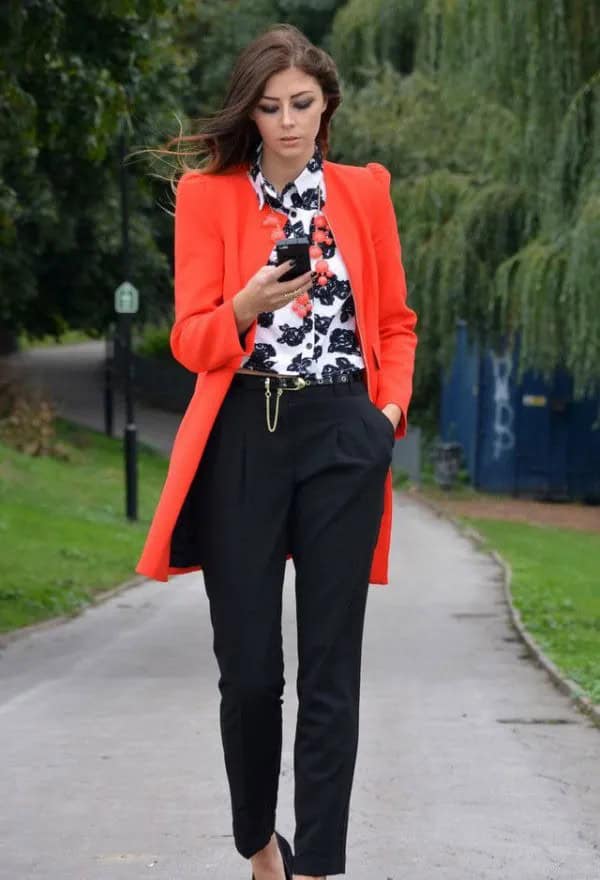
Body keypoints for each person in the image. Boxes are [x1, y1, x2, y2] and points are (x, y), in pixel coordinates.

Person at [136, 22, 418, 880]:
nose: (288, 121)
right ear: (250, 114)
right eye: (270, 107)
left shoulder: (365, 192)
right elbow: (188, 339)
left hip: (342, 430)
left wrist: (388, 413)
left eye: (302, 103)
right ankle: (260, 842)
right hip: (245, 437)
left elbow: (397, 322)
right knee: (252, 672)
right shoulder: (209, 196)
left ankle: (318, 865)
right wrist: (247, 304)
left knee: (333, 669)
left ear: (326, 103)